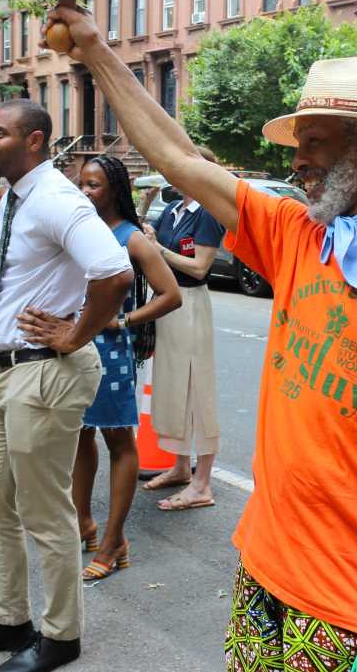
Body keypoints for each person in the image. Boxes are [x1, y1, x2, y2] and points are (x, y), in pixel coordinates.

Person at [46, 4, 357, 672]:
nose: (296, 162)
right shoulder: (298, 233)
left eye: (314, 141)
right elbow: (178, 156)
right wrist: (95, 51)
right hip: (267, 564)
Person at [0, 100, 133, 672]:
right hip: (2, 370)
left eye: (0, 134)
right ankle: (8, 619)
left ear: (37, 140)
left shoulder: (55, 199)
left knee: (45, 512)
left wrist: (75, 335)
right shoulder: (12, 195)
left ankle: (60, 636)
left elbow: (115, 273)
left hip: (45, 370)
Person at [71, 154, 181, 580]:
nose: (84, 192)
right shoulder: (81, 234)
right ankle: (84, 524)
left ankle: (115, 539)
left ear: (113, 190)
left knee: (118, 442)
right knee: (79, 438)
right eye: (81, 184)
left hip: (112, 354)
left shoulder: (130, 238)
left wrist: (124, 320)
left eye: (93, 185)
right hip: (77, 349)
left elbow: (170, 294)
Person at [138, 144, 226, 511]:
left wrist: (160, 250)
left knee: (197, 389)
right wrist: (145, 205)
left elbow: (200, 267)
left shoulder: (208, 213)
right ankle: (180, 468)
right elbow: (143, 236)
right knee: (173, 389)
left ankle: (202, 483)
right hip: (168, 306)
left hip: (191, 305)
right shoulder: (173, 210)